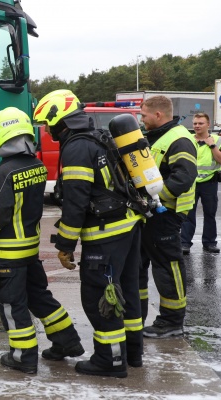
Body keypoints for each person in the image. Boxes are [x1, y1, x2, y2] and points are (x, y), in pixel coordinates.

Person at [33, 89, 144, 378]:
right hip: (128, 227)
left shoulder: (76, 148)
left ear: (61, 120)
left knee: (101, 297)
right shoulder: (99, 137)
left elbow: (76, 202)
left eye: (49, 123)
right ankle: (132, 353)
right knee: (127, 293)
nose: (48, 130)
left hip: (105, 235)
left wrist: (66, 244)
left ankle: (110, 361)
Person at [0, 106, 84, 375]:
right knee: (41, 298)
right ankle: (67, 343)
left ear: (2, 135)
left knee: (13, 308)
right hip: (29, 252)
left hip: (7, 257)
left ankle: (23, 357)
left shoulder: (5, 173)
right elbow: (16, 185)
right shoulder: (36, 166)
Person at [138, 95, 197, 339]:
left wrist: (156, 200)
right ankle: (136, 315)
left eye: (144, 115)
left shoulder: (179, 139)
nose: (142, 119)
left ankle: (172, 321)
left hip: (167, 213)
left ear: (158, 115)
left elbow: (184, 176)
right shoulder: (158, 136)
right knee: (139, 264)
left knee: (167, 266)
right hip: (151, 213)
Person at [180, 112, 221, 254]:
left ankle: (210, 243)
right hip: (190, 183)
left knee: (210, 214)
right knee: (188, 214)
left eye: (200, 123)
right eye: (195, 123)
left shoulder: (218, 140)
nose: (197, 126)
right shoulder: (187, 139)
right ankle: (185, 243)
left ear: (208, 124)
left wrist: (212, 146)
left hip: (209, 183)